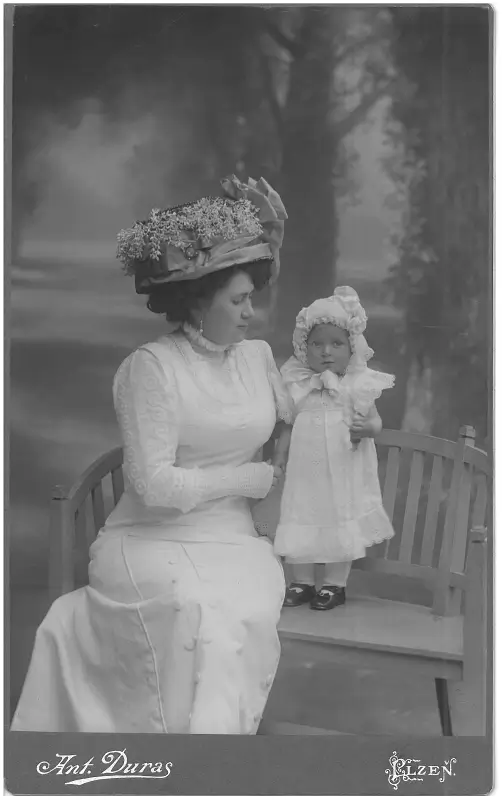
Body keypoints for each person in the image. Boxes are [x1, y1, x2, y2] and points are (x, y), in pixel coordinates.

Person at [11, 175, 293, 734]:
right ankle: (173, 756)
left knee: (230, 617)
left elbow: (303, 409)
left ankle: (203, 760)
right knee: (191, 606)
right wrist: (248, 479)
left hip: (235, 542)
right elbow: (154, 485)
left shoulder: (256, 357)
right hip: (148, 540)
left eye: (252, 299)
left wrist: (268, 248)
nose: (250, 313)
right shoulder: (152, 369)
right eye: (238, 301)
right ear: (198, 301)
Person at [272, 286, 395, 611]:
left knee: (339, 517)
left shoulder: (356, 385)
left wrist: (368, 428)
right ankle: (301, 581)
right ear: (304, 347)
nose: (326, 352)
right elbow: (288, 424)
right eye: (317, 344)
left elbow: (375, 422)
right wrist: (279, 457)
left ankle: (334, 584)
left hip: (342, 469)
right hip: (304, 472)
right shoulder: (300, 385)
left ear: (351, 346)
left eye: (336, 344)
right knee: (300, 513)